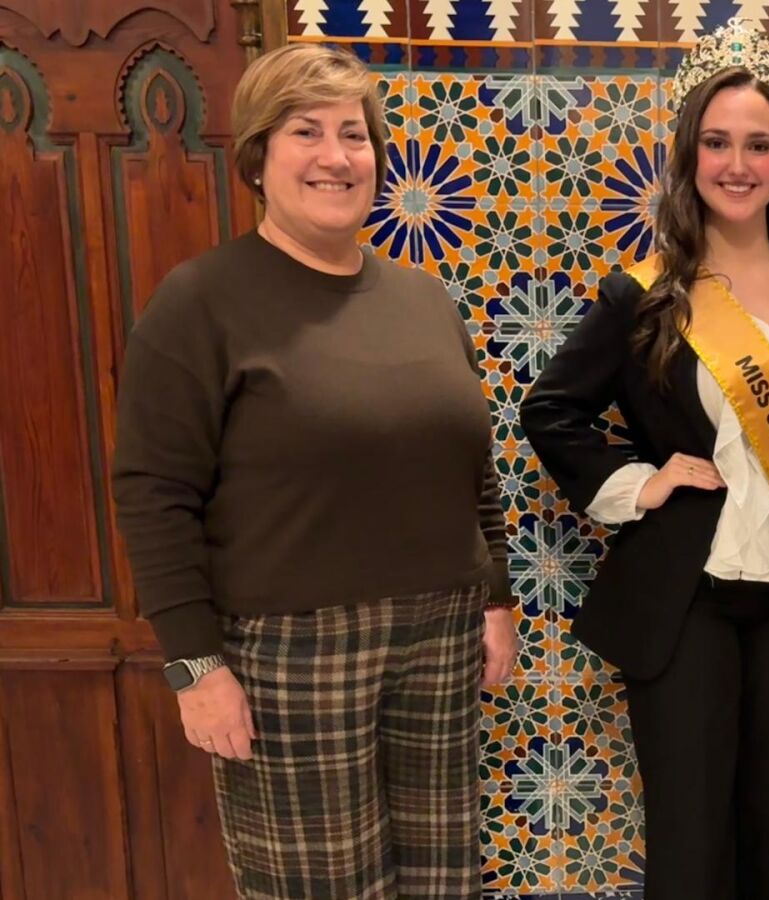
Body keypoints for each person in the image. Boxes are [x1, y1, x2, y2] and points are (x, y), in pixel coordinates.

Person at [111, 43, 518, 899]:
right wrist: (194, 666)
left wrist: (496, 599)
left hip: (440, 638)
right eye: (306, 131)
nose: (336, 156)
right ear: (258, 156)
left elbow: (470, 466)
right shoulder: (200, 302)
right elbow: (154, 496)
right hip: (290, 655)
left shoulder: (423, 299)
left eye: (353, 134)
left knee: (444, 885)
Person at [519, 19, 769, 900]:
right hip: (686, 607)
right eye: (717, 142)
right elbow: (551, 410)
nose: (737, 163)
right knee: (690, 852)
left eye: (758, 144)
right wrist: (639, 484)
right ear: (690, 154)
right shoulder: (646, 295)